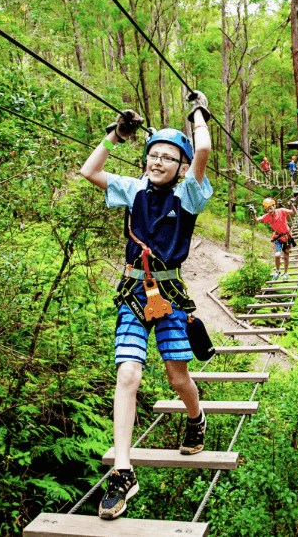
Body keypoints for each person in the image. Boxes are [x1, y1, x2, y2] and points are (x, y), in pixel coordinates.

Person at [80, 91, 213, 520]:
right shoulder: (133, 188)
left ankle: (196, 418)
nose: (157, 162)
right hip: (133, 294)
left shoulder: (189, 195)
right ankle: (123, 472)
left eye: (168, 158)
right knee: (128, 373)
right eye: (152, 155)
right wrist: (114, 136)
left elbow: (205, 147)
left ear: (180, 166)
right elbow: (90, 171)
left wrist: (198, 111)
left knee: (178, 379)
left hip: (170, 296)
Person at [250, 197, 297, 281]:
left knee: (286, 256)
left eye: (270, 208)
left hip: (287, 237)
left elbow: (293, 212)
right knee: (277, 255)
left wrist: (291, 205)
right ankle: (278, 271)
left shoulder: (282, 211)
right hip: (277, 237)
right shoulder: (268, 216)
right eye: (267, 209)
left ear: (274, 206)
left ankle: (285, 273)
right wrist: (254, 213)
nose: (269, 210)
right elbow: (256, 220)